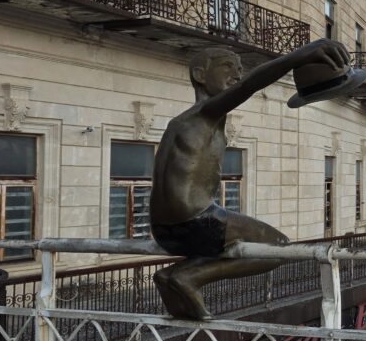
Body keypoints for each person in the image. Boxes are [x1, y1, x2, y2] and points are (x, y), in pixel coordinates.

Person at [150, 39, 351, 319]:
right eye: (227, 66)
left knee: (242, 233)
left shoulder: (179, 122)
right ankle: (188, 277)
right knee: (279, 247)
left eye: (240, 68)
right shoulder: (205, 114)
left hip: (162, 230)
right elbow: (250, 86)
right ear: (200, 75)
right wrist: (297, 56)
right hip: (193, 222)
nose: (237, 74)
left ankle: (170, 278)